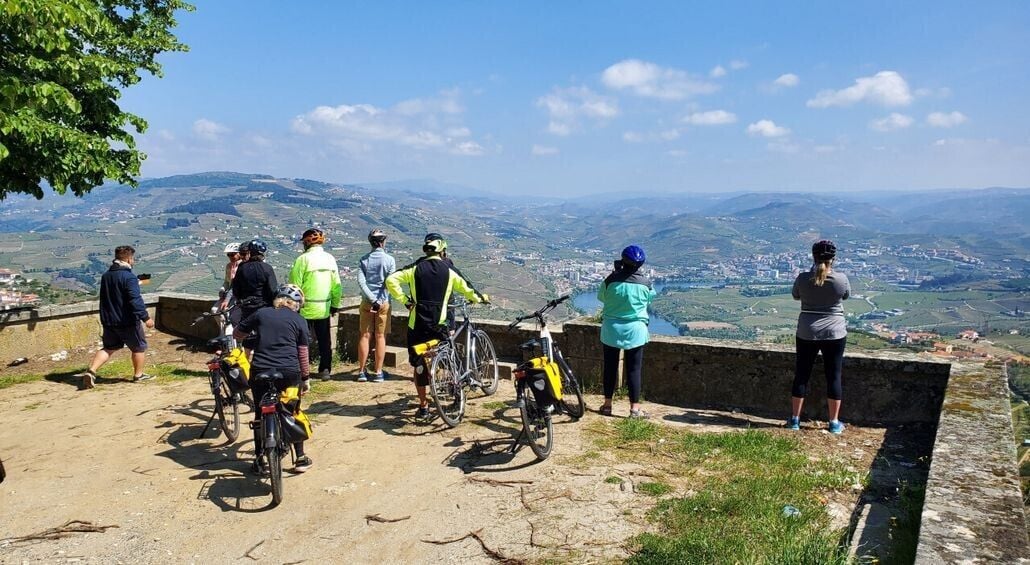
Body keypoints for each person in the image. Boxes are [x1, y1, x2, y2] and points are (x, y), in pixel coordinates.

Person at [385, 233, 488, 419]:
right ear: (442, 250)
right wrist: (481, 299)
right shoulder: (448, 269)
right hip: (439, 324)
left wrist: (406, 301)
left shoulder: (415, 268)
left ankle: (423, 406)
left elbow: (391, 280)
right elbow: (467, 288)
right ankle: (456, 395)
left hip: (416, 324)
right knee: (449, 359)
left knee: (419, 365)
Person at [234, 283, 313, 474]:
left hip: (260, 370)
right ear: (296, 304)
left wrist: (251, 338)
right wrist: (305, 378)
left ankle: (260, 459)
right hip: (289, 373)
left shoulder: (261, 314)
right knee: (292, 409)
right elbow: (303, 353)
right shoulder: (299, 320)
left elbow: (238, 333)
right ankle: (300, 458)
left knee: (260, 414)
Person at [787, 240, 851, 434]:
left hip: (807, 331)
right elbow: (845, 296)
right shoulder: (841, 279)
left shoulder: (803, 278)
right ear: (834, 259)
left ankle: (795, 420)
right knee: (834, 375)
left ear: (812, 257)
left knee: (802, 374)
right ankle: (833, 422)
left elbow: (796, 296)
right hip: (835, 332)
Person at [77, 245, 156, 389]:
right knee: (138, 348)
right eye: (133, 258)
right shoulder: (129, 277)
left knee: (108, 348)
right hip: (126, 321)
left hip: (109, 320)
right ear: (128, 258)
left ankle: (92, 371)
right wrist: (146, 318)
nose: (134, 261)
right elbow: (135, 299)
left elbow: (114, 293)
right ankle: (138, 375)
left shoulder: (106, 276)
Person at [597, 245, 656, 419]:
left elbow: (601, 297)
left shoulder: (610, 280)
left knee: (610, 367)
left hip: (611, 330)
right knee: (634, 369)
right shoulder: (645, 283)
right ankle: (634, 410)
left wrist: (616, 274)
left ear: (623, 260)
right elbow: (650, 298)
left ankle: (607, 405)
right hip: (635, 331)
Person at [288, 228, 342, 380]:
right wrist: (335, 305)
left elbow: (294, 286)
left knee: (301, 341)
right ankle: (325, 370)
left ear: (306, 243)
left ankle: (300, 370)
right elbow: (337, 286)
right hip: (324, 308)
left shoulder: (302, 260)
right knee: (325, 341)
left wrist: (293, 306)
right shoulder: (330, 259)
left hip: (304, 308)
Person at [356, 228, 396, 382]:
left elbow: (361, 282)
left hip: (367, 301)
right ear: (383, 242)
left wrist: (372, 299)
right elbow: (390, 282)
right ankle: (378, 372)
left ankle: (361, 371)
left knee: (365, 336)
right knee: (380, 337)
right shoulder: (390, 260)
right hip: (384, 302)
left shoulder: (364, 260)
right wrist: (379, 300)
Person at [231, 238, 277, 343]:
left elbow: (236, 289)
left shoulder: (242, 268)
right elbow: (273, 290)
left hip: (247, 307)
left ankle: (245, 355)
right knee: (264, 335)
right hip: (264, 307)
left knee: (247, 336)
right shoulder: (267, 268)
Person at [217, 242, 242, 312]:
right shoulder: (228, 266)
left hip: (238, 296)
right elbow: (227, 282)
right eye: (228, 255)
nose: (230, 257)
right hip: (229, 294)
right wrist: (222, 289)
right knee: (214, 310)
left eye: (232, 254)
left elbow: (235, 284)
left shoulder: (243, 266)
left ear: (239, 253)